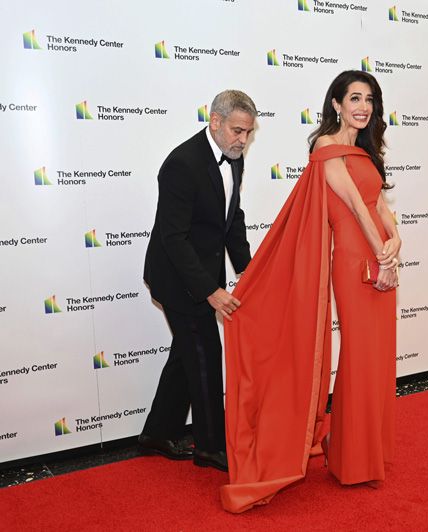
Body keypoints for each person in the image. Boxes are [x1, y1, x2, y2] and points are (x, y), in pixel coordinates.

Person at [221, 70, 400, 513]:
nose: (363, 106)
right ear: (336, 104)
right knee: (359, 354)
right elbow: (356, 209)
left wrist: (396, 242)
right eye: (354, 98)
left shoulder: (366, 150)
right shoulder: (326, 146)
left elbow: (379, 204)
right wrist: (382, 254)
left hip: (382, 258)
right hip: (357, 259)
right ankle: (351, 461)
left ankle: (360, 450)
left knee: (378, 357)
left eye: (370, 99)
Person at [140, 90, 256, 472]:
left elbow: (231, 220)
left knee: (186, 354)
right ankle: (210, 446)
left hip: (203, 269)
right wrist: (210, 290)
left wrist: (249, 271)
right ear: (216, 122)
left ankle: (157, 432)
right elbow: (173, 238)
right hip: (177, 277)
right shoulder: (181, 164)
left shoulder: (234, 159)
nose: (243, 140)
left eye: (248, 133)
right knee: (205, 353)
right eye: (238, 131)